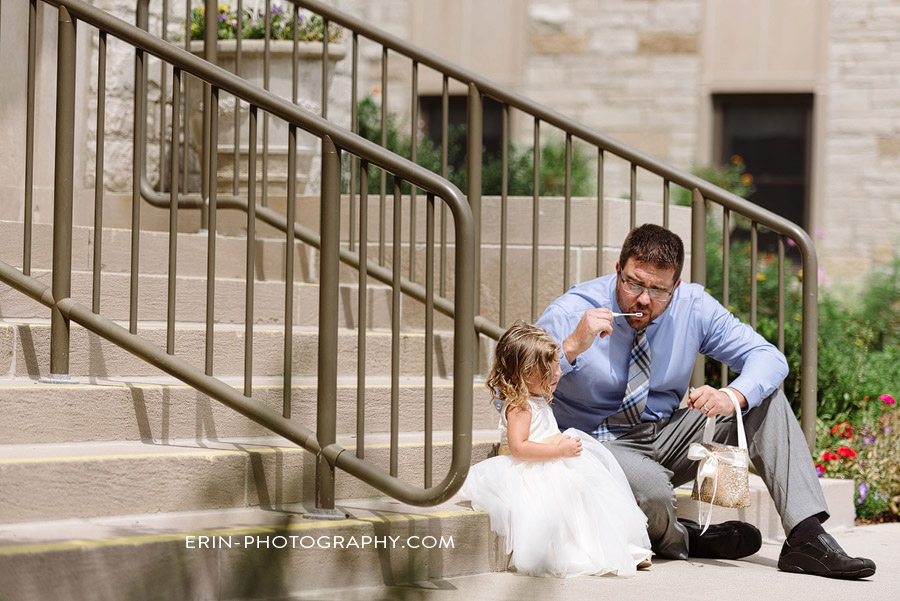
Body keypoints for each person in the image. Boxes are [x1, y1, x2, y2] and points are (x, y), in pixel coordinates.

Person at [535, 223, 876, 579]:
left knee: (765, 399)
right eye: (633, 283)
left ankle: (806, 538)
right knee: (652, 492)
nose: (643, 299)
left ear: (675, 286)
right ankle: (688, 537)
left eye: (658, 289)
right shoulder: (573, 310)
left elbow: (768, 357)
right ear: (618, 270)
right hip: (595, 442)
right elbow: (505, 393)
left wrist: (731, 396)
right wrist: (570, 346)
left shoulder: (693, 305)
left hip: (665, 433)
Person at [459, 321, 652, 578]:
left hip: (553, 461)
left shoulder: (536, 399)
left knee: (587, 490)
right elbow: (519, 448)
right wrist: (559, 451)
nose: (557, 373)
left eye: (557, 364)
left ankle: (611, 546)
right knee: (566, 497)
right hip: (532, 470)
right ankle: (578, 552)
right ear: (520, 373)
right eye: (545, 369)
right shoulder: (520, 406)